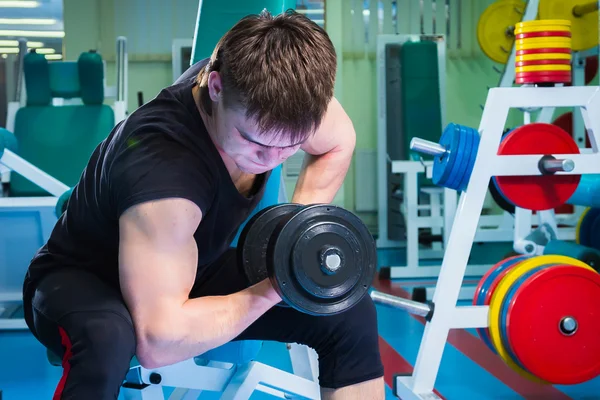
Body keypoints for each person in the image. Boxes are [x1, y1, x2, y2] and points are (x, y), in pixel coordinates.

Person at [22, 9, 384, 400]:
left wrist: (296, 237)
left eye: (290, 146)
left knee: (344, 305)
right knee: (107, 339)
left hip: (187, 267)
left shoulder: (285, 102)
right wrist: (279, 285)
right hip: (81, 281)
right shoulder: (164, 172)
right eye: (255, 142)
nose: (272, 159)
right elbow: (158, 342)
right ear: (215, 87)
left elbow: (338, 138)